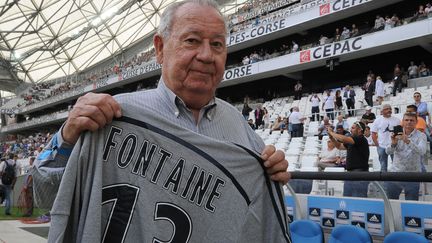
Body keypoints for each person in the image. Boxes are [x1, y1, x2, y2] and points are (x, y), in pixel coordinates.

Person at [32, 1, 290, 241]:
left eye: (217, 45)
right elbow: (44, 197)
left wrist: (271, 172)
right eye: (192, 41)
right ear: (160, 48)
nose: (206, 55)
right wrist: (67, 137)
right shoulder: (114, 115)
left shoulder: (240, 127)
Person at [385, 112, 427, 201]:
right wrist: (393, 143)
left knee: (411, 205)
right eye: (406, 120)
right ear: (402, 122)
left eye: (412, 120)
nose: (409, 122)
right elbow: (388, 152)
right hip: (396, 173)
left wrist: (408, 141)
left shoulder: (421, 136)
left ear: (416, 122)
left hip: (412, 175)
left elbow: (422, 151)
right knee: (391, 202)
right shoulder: (395, 134)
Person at [328, 121, 370, 197]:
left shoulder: (361, 139)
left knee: (358, 201)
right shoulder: (353, 140)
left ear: (360, 130)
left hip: (359, 174)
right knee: (348, 200)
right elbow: (339, 146)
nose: (350, 129)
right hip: (350, 173)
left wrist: (332, 133)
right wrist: (332, 138)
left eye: (353, 128)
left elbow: (344, 139)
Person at [370, 104, 400, 172]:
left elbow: (399, 133)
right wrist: (377, 145)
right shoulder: (377, 121)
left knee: (396, 166)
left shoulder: (397, 120)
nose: (389, 110)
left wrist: (396, 143)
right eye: (386, 109)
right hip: (382, 146)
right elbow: (373, 133)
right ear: (382, 111)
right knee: (383, 166)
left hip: (393, 146)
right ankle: (384, 181)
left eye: (390, 108)